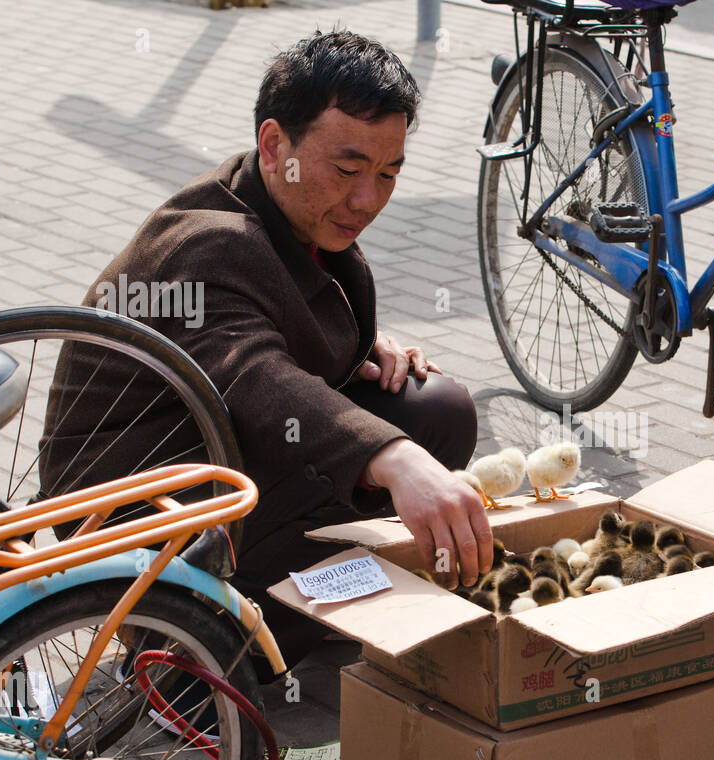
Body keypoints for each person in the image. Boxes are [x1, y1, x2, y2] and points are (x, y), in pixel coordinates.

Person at [41, 30, 492, 675]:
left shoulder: (279, 196)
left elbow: (273, 327)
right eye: (347, 169)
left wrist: (360, 345)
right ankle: (187, 662)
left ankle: (312, 605)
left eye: (388, 173)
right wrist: (393, 460)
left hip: (210, 455)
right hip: (132, 517)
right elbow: (253, 376)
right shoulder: (207, 245)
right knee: (400, 449)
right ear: (276, 143)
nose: (368, 199)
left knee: (434, 407)